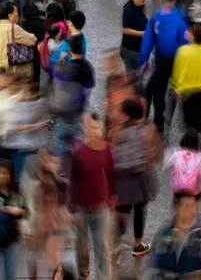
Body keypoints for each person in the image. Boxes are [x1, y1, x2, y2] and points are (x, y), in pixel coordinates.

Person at [110, 99, 161, 258]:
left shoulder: (119, 132)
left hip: (122, 179)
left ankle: (117, 242)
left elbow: (113, 155)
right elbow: (156, 154)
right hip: (141, 178)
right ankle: (138, 244)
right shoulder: (149, 129)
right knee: (139, 211)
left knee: (123, 210)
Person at [68, 115, 116, 280]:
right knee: (81, 246)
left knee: (102, 249)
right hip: (82, 209)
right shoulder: (79, 153)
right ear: (85, 130)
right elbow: (73, 180)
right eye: (92, 128)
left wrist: (112, 198)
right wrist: (72, 209)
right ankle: (83, 273)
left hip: (101, 208)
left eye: (98, 128)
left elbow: (112, 175)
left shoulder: (108, 150)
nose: (96, 132)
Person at [141, 0, 192, 133]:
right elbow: (185, 40)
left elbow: (147, 40)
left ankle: (159, 119)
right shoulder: (180, 18)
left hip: (160, 60)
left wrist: (143, 59)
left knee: (158, 90)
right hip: (177, 60)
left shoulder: (155, 17)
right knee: (176, 86)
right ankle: (172, 108)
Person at [144, 178, 201, 280]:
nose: (190, 210)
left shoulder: (200, 236)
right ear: (177, 207)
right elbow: (154, 267)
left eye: (192, 206)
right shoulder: (165, 234)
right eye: (186, 206)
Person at [0, 0, 36, 83]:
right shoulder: (13, 28)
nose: (17, 14)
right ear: (10, 15)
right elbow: (32, 40)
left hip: (0, 71)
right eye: (16, 12)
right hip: (13, 71)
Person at [120, 0, 149, 65]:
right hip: (130, 49)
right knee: (133, 74)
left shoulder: (140, 8)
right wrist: (142, 34)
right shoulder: (128, 11)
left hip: (138, 48)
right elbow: (125, 29)